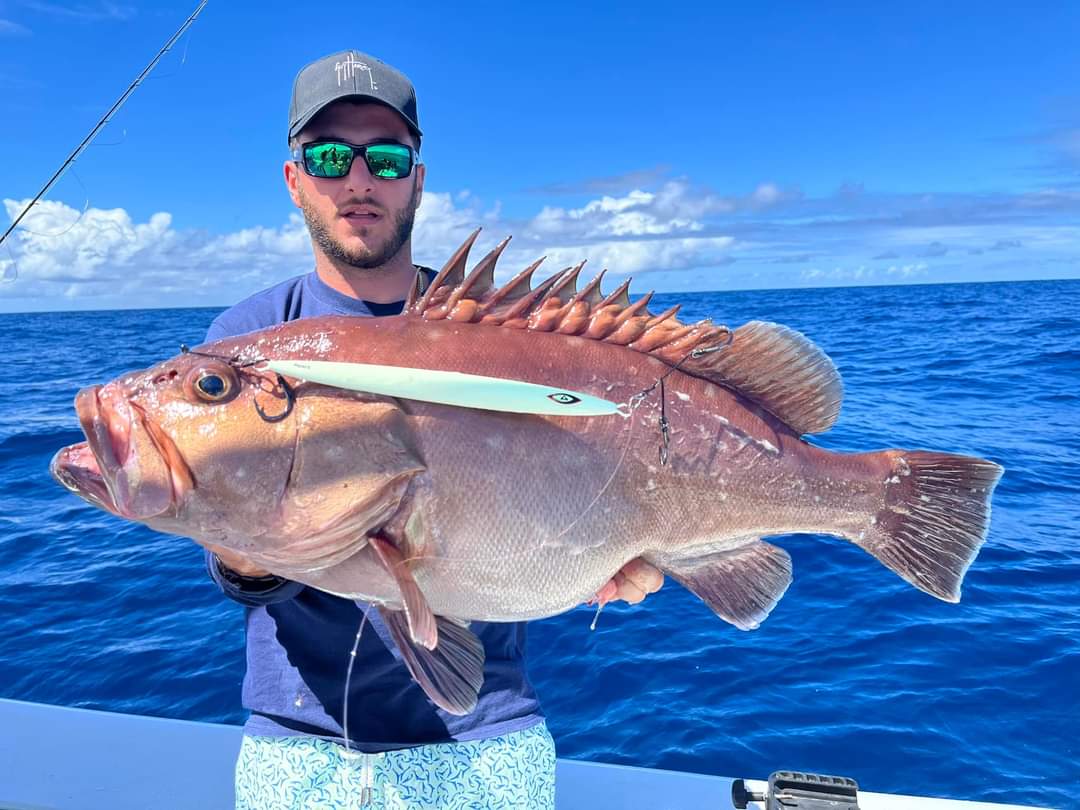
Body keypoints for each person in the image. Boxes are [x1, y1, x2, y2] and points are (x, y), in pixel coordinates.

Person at [202, 49, 664, 809]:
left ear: (418, 177)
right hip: (297, 737)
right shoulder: (250, 339)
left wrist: (620, 556)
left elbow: (590, 482)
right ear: (294, 179)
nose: (358, 181)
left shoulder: (505, 334)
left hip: (486, 734)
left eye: (385, 158)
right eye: (328, 156)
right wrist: (241, 550)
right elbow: (240, 578)